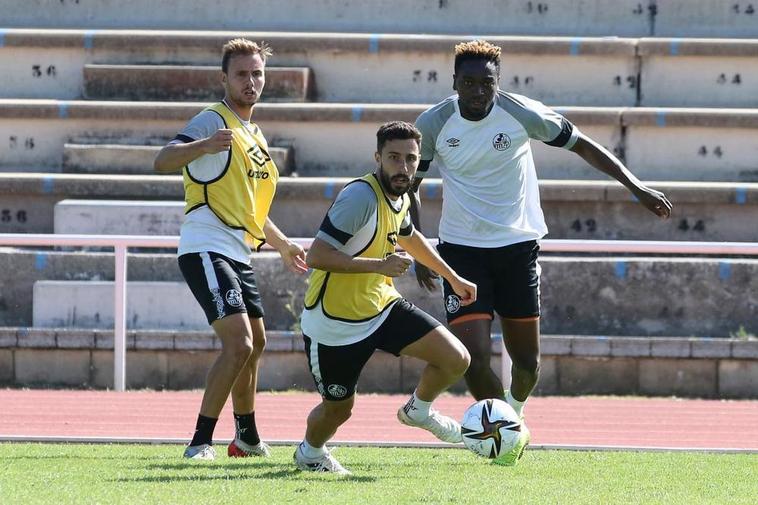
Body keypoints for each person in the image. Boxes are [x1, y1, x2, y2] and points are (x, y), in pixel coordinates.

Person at [410, 40, 673, 465]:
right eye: (469, 82)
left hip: (517, 248)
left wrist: (635, 186)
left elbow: (583, 144)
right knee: (472, 359)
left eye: (487, 83)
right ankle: (502, 441)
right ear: (454, 82)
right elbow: (412, 185)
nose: (478, 91)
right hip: (461, 252)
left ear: (499, 82)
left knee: (528, 366)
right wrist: (423, 248)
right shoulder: (435, 122)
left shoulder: (521, 113)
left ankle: (511, 415)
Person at [293, 121, 477, 474]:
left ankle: (418, 410)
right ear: (378, 157)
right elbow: (316, 255)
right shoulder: (360, 197)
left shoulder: (402, 194)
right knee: (338, 410)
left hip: (381, 307)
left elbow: (409, 237)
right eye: (394, 157)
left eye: (410, 159)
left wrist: (452, 278)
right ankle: (310, 453)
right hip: (335, 324)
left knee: (455, 359)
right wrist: (380, 265)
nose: (403, 166)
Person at [154, 38, 307, 460]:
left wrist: (281, 244)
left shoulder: (253, 133)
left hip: (238, 251)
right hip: (206, 244)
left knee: (255, 343)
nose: (251, 81)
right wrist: (201, 146)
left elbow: (251, 211)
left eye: (257, 73)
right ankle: (200, 442)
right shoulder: (211, 120)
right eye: (241, 73)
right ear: (224, 78)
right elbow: (162, 160)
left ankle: (246, 438)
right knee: (239, 343)